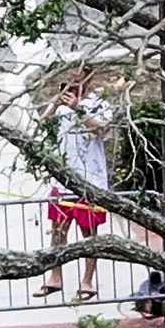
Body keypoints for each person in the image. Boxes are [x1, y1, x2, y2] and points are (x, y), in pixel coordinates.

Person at [46, 74, 115, 303]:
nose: (71, 84)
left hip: (90, 181)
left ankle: (87, 281)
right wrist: (55, 103)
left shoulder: (98, 103)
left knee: (89, 234)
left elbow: (101, 130)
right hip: (63, 178)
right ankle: (55, 277)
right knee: (58, 232)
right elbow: (42, 125)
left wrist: (79, 109)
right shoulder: (61, 106)